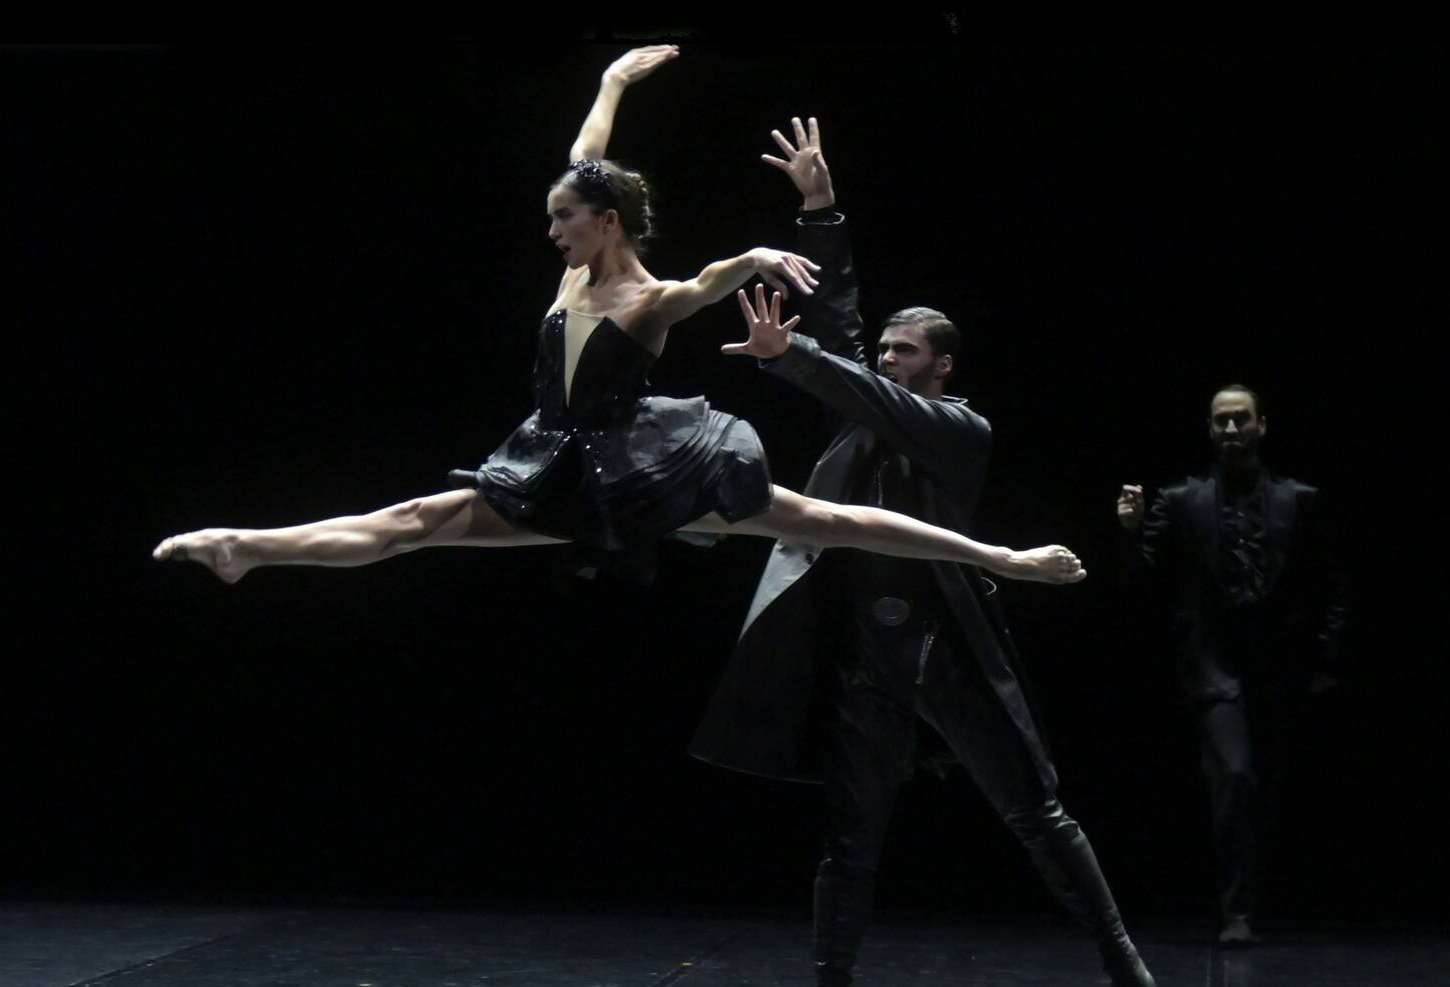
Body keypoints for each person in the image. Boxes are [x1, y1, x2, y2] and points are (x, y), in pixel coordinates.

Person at [154, 49, 1086, 589]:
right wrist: (612, 81)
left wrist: (767, 253)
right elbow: (584, 153)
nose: (551, 226)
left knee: (824, 519)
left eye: (566, 217)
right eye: (554, 214)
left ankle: (999, 557)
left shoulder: (648, 299)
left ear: (607, 225)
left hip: (645, 472)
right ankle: (245, 549)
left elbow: (715, 277)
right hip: (552, 462)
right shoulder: (573, 264)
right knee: (410, 518)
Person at [693, 118, 1166, 987]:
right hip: (867, 652)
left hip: (945, 645)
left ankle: (1119, 955)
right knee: (849, 836)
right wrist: (820, 210)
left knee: (1037, 813)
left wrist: (792, 358)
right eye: (887, 349)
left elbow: (851, 378)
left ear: (941, 367)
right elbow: (841, 333)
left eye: (905, 352)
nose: (886, 359)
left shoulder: (957, 428)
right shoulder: (861, 422)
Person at [1117, 384, 1349, 946]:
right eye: (1220, 421)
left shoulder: (1300, 499)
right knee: (1235, 776)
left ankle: (1285, 902)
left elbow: (1333, 582)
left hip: (1282, 665)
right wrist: (1130, 532)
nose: (1230, 430)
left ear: (1261, 425)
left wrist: (1328, 656)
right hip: (1214, 668)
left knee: (1270, 784)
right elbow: (1143, 581)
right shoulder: (1182, 500)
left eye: (1240, 420)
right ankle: (1236, 911)